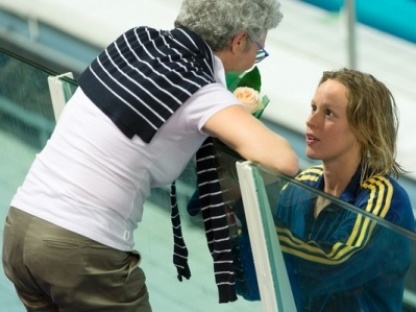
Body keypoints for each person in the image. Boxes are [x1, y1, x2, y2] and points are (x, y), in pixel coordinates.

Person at [2, 0, 299, 311]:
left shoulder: (134, 41)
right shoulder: (199, 90)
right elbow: (283, 160)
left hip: (21, 228)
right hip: (81, 250)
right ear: (239, 41)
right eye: (259, 52)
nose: (255, 60)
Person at [274, 68, 415, 311]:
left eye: (328, 113)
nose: (311, 121)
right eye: (313, 108)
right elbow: (253, 281)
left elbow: (329, 265)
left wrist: (264, 235)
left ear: (364, 128)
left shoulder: (385, 200)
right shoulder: (303, 187)